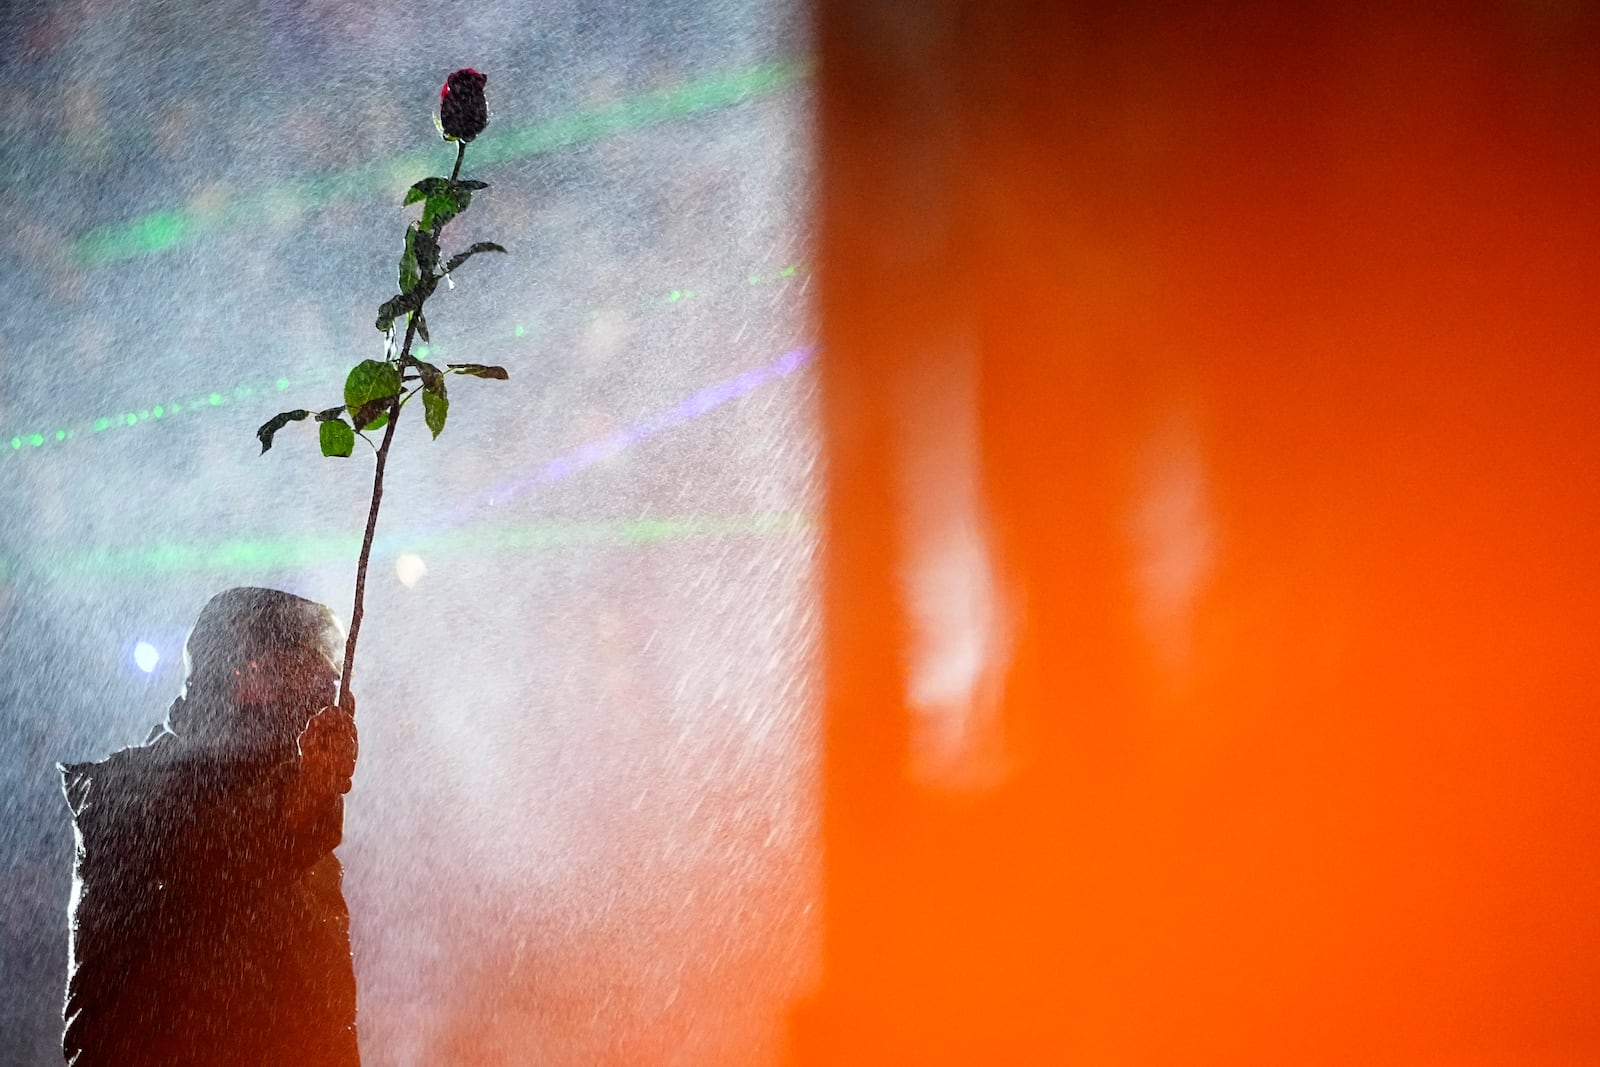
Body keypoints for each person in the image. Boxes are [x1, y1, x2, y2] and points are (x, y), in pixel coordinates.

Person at [60, 587, 361, 1066]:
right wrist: (302, 793)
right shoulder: (125, 793)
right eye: (303, 670)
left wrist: (304, 795)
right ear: (243, 675)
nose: (326, 689)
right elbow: (215, 849)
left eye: (327, 675)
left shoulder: (301, 841)